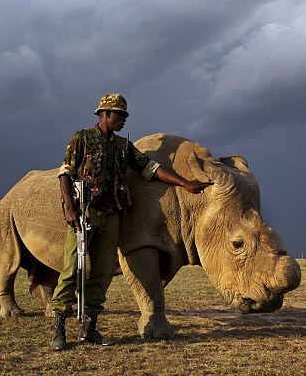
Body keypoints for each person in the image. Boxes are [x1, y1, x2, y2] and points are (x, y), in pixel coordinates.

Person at [50, 93, 210, 351]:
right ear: (105, 114)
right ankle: (59, 330)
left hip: (112, 216)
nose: (124, 120)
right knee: (72, 270)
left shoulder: (124, 147)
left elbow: (150, 168)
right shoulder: (82, 139)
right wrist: (69, 207)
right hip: (84, 213)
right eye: (120, 115)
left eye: (125, 116)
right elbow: (65, 174)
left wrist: (185, 183)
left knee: (102, 274)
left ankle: (89, 330)